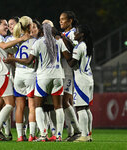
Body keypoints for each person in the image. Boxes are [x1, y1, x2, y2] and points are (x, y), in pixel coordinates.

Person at [4, 23, 67, 142]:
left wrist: (13, 59)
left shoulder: (38, 42)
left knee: (38, 106)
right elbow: (67, 57)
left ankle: (43, 134)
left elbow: (28, 61)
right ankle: (58, 135)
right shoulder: (58, 42)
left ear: (42, 32)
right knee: (58, 107)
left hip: (43, 77)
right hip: (58, 76)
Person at [0, 18, 30, 141]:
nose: (7, 27)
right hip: (1, 74)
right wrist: (21, 39)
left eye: (8, 25)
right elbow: (4, 46)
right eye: (4, 25)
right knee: (10, 104)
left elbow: (8, 51)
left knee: (1, 104)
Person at [12, 17, 41, 142]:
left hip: (18, 74)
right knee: (32, 106)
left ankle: (19, 136)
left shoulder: (16, 40)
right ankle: (31, 135)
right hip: (30, 74)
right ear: (29, 26)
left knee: (19, 107)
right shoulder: (35, 41)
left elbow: (8, 51)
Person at [64, 25, 94, 142]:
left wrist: (65, 52)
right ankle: (89, 134)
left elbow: (72, 63)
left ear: (81, 35)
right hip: (89, 78)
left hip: (81, 80)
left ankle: (84, 135)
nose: (74, 34)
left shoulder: (79, 47)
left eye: (76, 32)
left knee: (80, 108)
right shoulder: (87, 45)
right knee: (86, 108)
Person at [59, 11, 82, 141]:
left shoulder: (73, 33)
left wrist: (62, 39)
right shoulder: (65, 34)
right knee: (66, 102)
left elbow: (73, 50)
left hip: (68, 71)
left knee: (65, 101)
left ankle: (76, 130)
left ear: (70, 21)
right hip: (61, 71)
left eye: (63, 19)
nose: (61, 21)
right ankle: (71, 132)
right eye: (60, 19)